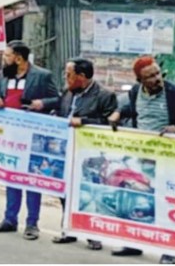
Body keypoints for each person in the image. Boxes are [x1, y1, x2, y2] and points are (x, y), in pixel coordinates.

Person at [105, 56, 175, 261]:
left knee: (167, 203)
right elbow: (133, 109)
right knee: (137, 199)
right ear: (140, 80)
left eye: (158, 73)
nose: (158, 79)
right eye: (151, 77)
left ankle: (170, 251)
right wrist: (117, 113)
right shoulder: (134, 92)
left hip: (169, 157)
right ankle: (134, 243)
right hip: (142, 158)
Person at [0, 40, 59, 239]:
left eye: (7, 56)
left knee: (31, 179)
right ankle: (10, 219)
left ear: (18, 58)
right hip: (9, 135)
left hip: (32, 136)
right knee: (12, 176)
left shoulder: (42, 76)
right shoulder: (4, 76)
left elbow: (57, 99)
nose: (4, 59)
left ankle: (32, 223)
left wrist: (40, 103)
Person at [50, 57, 113, 251]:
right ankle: (68, 228)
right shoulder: (67, 93)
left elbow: (109, 124)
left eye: (69, 75)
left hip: (90, 154)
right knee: (65, 191)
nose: (65, 78)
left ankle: (92, 233)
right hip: (66, 149)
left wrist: (84, 121)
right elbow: (61, 113)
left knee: (88, 192)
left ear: (82, 76)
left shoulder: (104, 95)